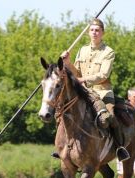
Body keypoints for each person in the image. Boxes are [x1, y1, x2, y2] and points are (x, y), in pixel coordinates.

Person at [55, 18, 129, 161]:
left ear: (102, 33)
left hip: (102, 91)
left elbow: (103, 74)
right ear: (88, 32)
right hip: (84, 92)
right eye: (92, 30)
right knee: (61, 111)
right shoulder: (82, 50)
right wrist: (68, 63)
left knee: (110, 116)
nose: (94, 33)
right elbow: (76, 73)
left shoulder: (108, 52)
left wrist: (82, 80)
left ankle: (120, 147)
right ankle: (62, 146)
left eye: (97, 30)